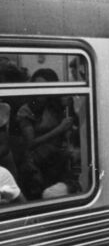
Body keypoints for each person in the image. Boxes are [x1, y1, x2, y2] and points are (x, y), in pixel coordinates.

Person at [16, 69, 77, 200]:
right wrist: (59, 129)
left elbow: (72, 127)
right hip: (36, 165)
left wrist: (70, 105)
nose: (40, 91)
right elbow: (31, 143)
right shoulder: (26, 110)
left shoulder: (55, 106)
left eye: (44, 87)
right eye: (36, 87)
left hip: (57, 161)